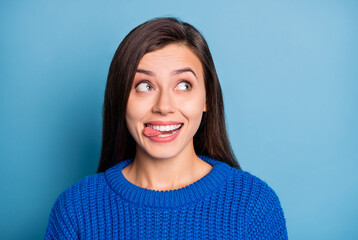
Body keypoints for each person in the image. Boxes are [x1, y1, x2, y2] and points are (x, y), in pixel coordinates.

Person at [45, 17, 288, 239]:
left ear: (207, 99)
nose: (163, 106)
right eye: (144, 86)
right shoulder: (75, 209)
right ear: (121, 100)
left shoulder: (255, 205)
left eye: (183, 85)